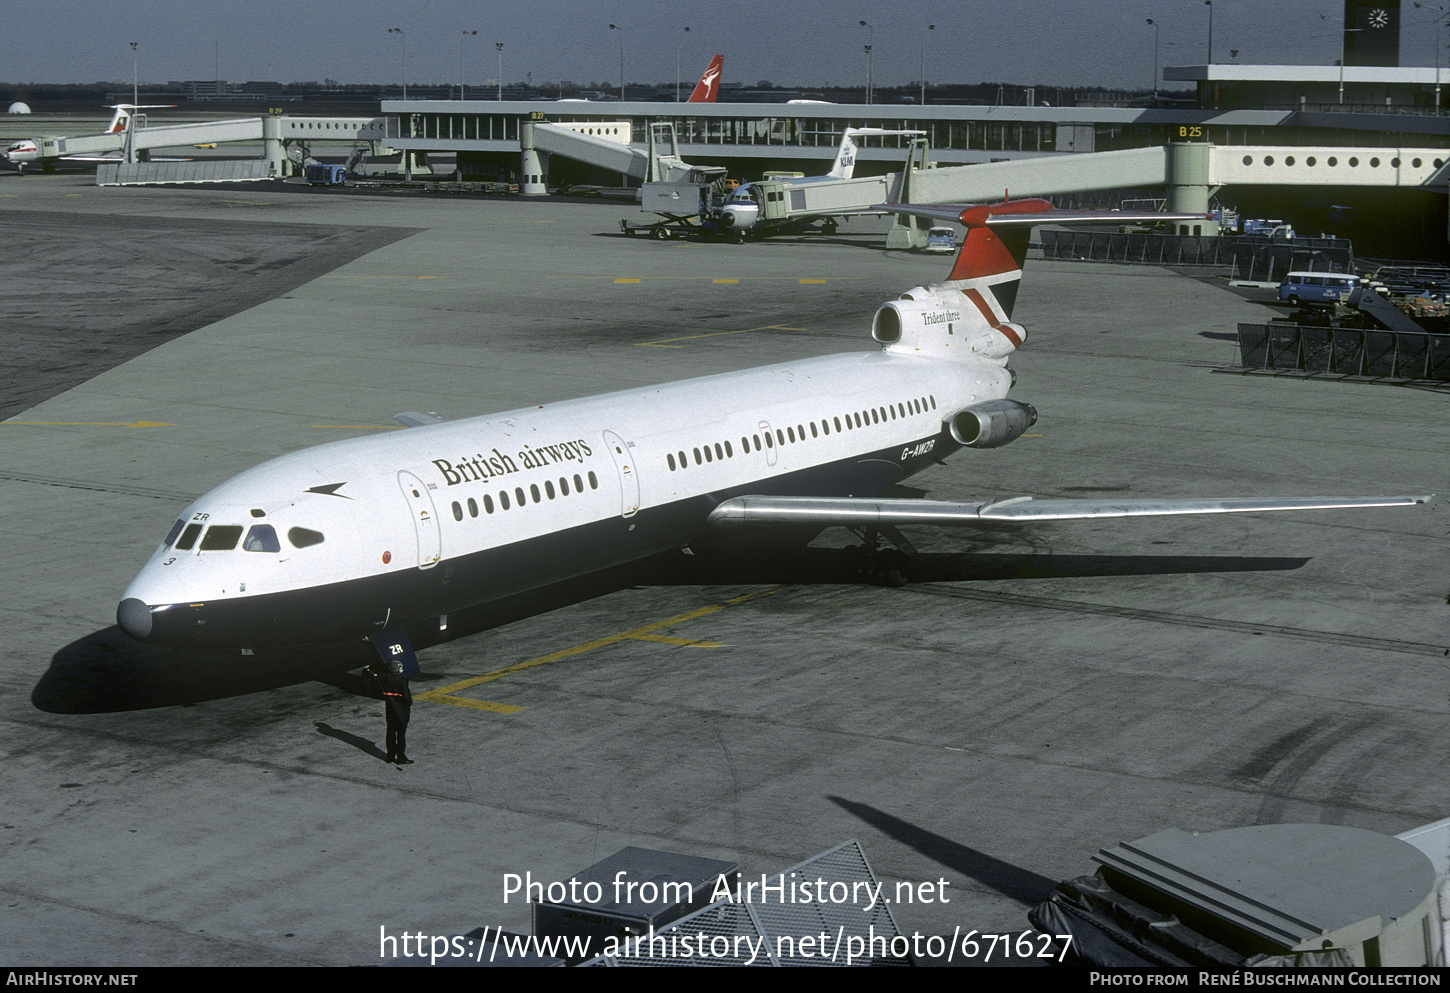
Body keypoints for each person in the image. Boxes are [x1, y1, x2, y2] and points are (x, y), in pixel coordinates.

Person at [370, 658, 413, 765]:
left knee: (390, 734)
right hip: (401, 713)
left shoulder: (384, 681)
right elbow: (408, 699)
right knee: (401, 736)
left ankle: (390, 756)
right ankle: (401, 757)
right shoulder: (402, 682)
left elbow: (380, 673)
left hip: (390, 712)